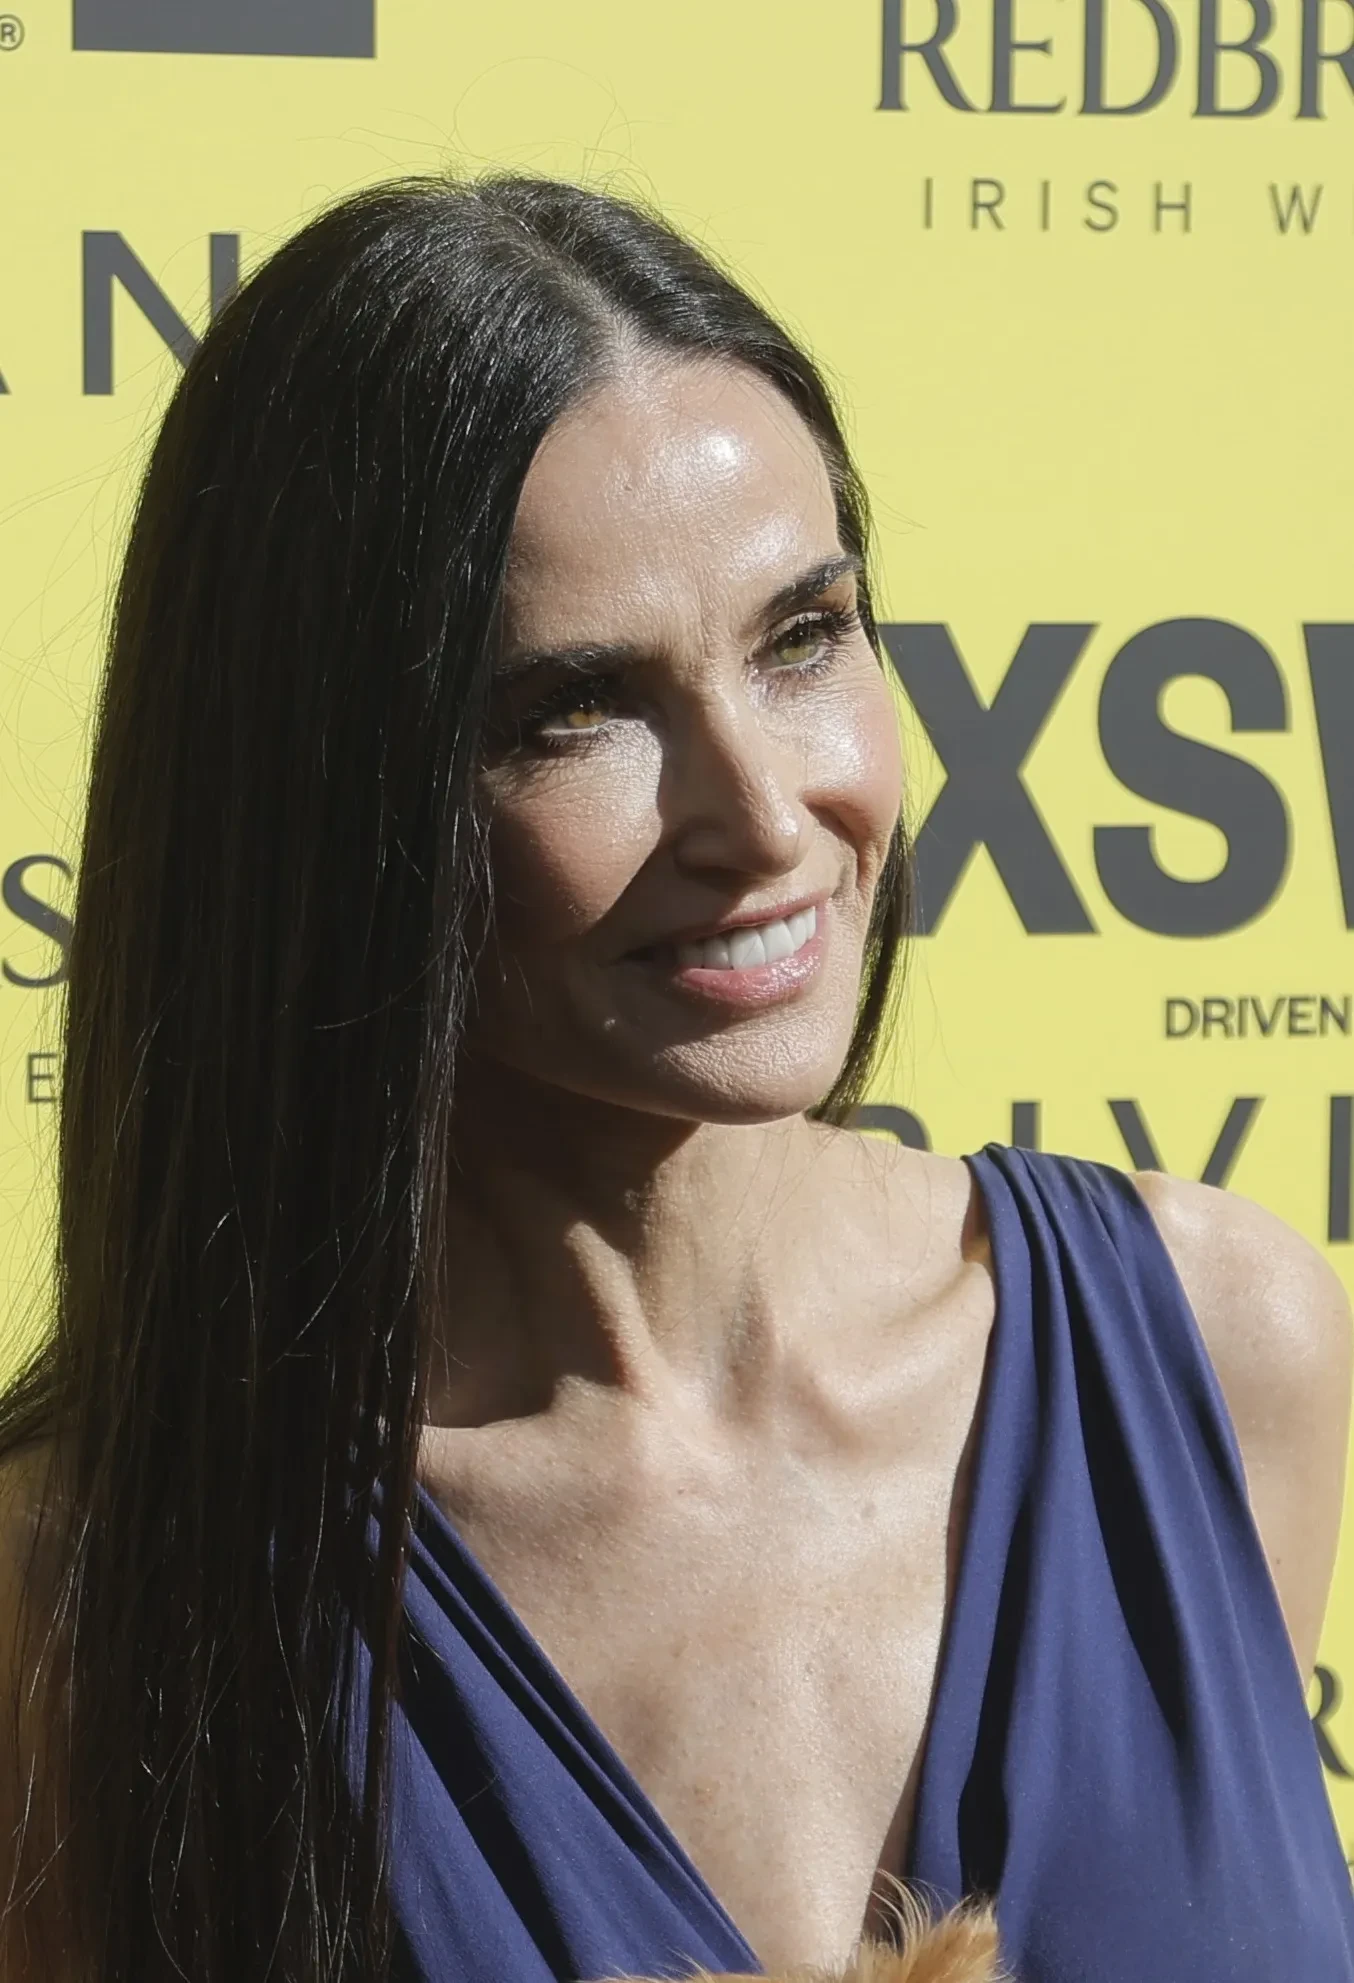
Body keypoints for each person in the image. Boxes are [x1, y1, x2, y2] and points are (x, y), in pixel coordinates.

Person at [0, 172, 1349, 1983]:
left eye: (803, 636)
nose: (765, 815)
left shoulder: (1218, 1348)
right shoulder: (82, 1603)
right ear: (326, 802)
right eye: (577, 707)